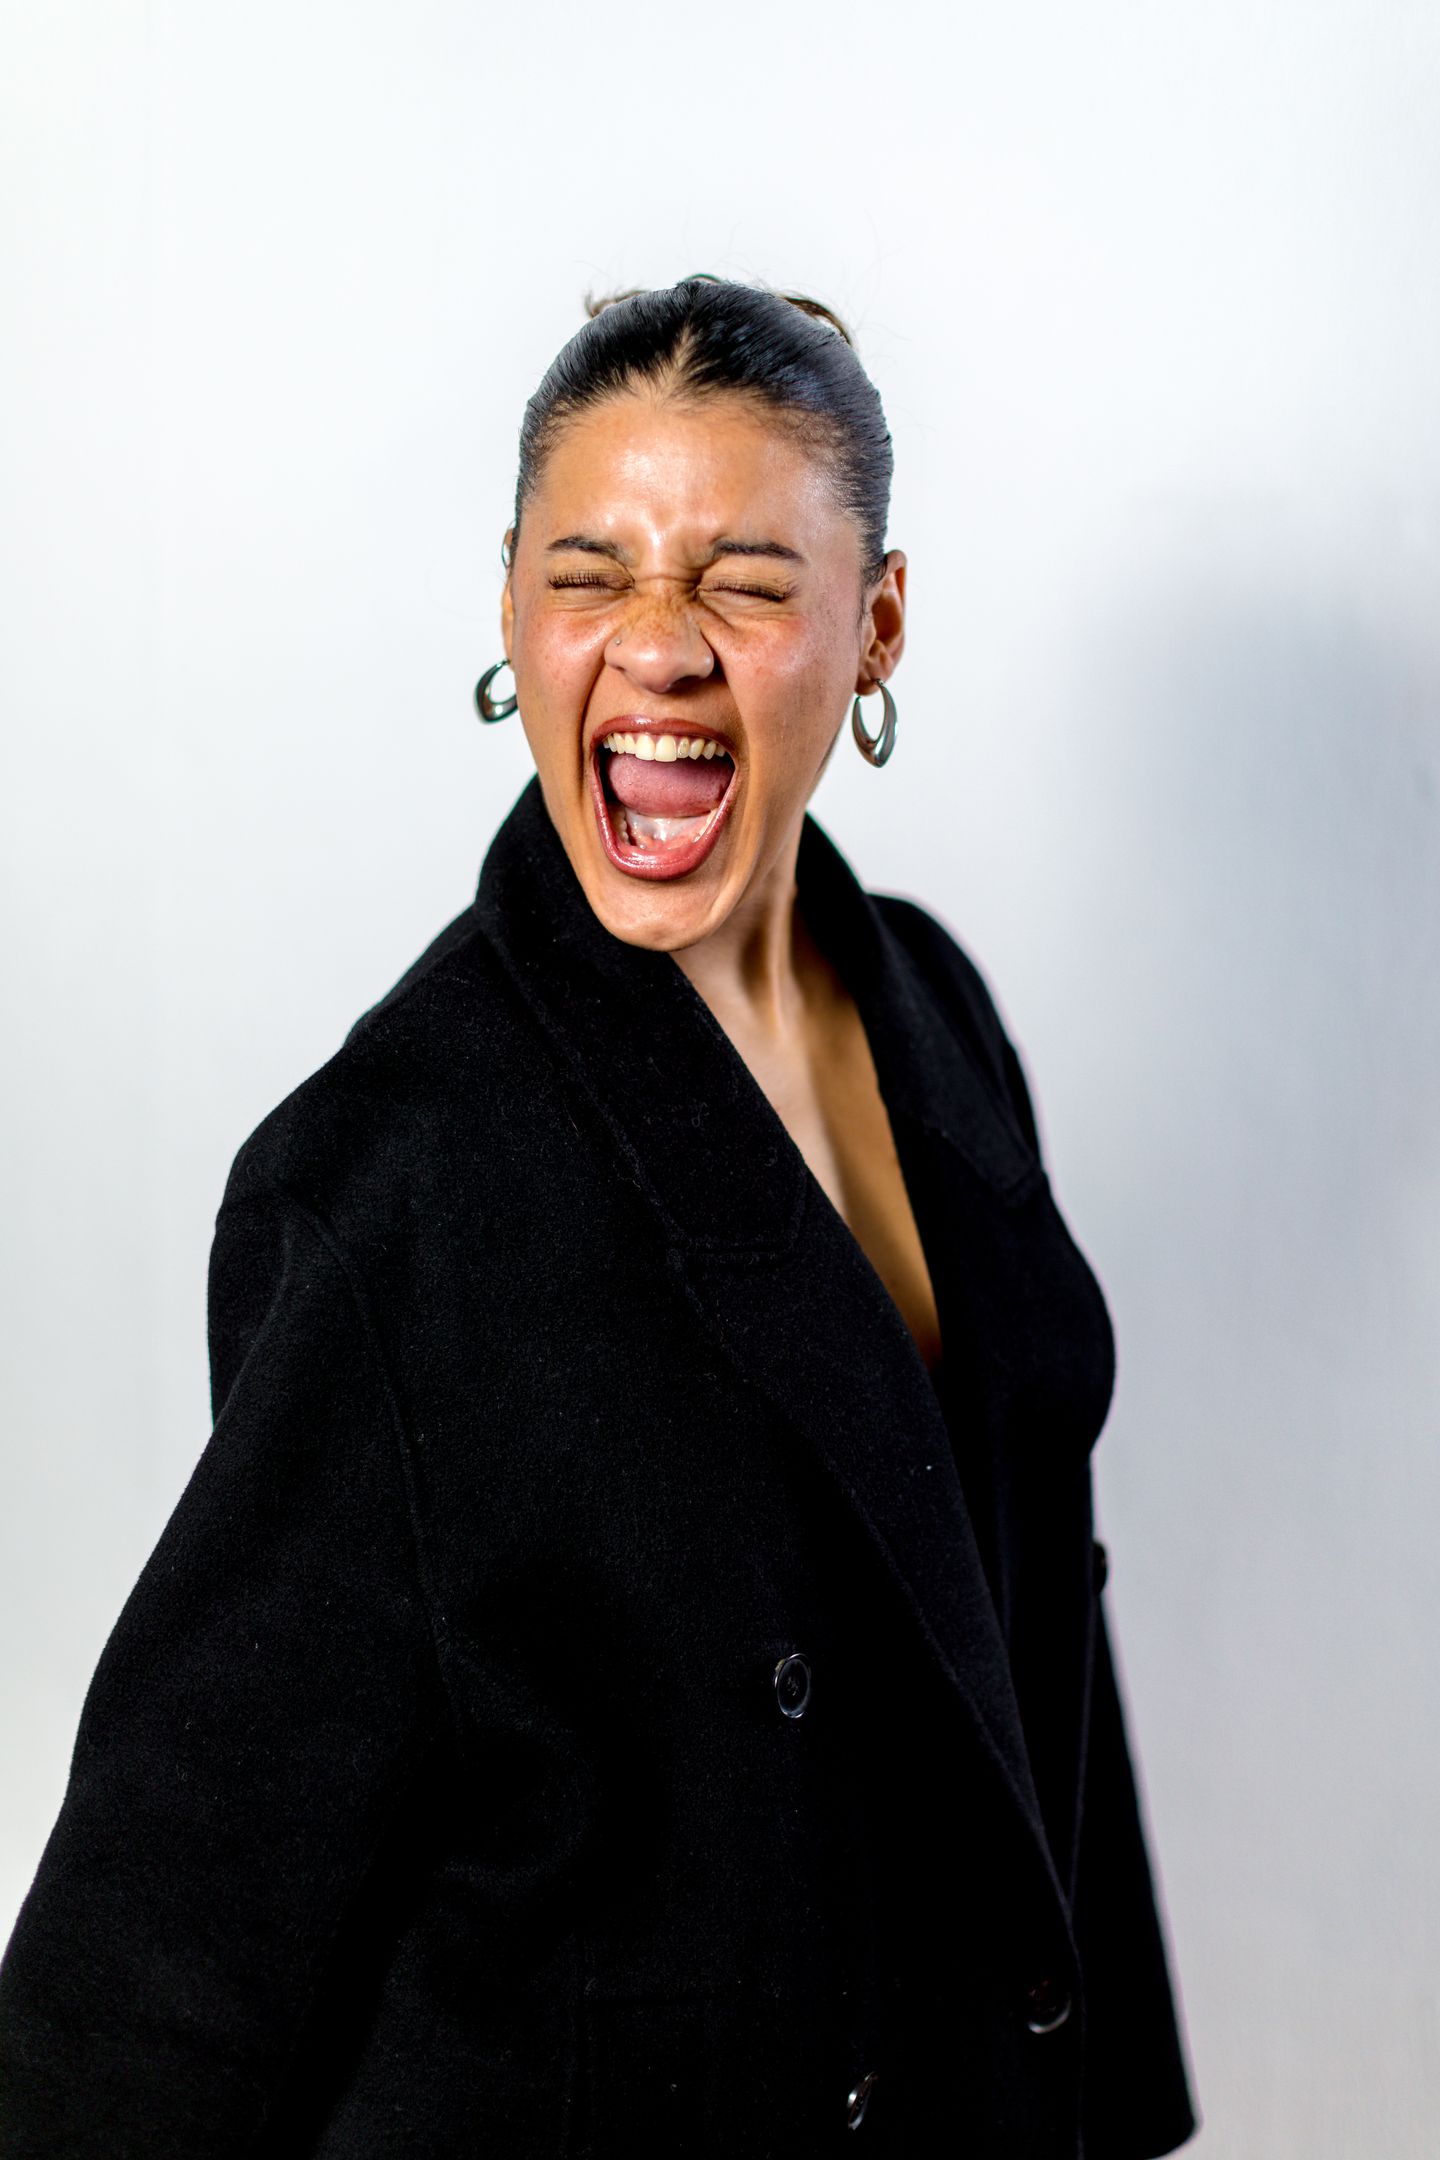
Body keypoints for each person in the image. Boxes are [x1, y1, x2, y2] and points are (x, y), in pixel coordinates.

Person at [0, 275, 1199, 2157]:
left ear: (878, 623)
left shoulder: (934, 1012)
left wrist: (1104, 2100)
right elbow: (163, 1944)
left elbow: (1021, 1629)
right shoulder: (395, 1178)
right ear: (508, 606)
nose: (654, 645)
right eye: (588, 573)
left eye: (743, 580)